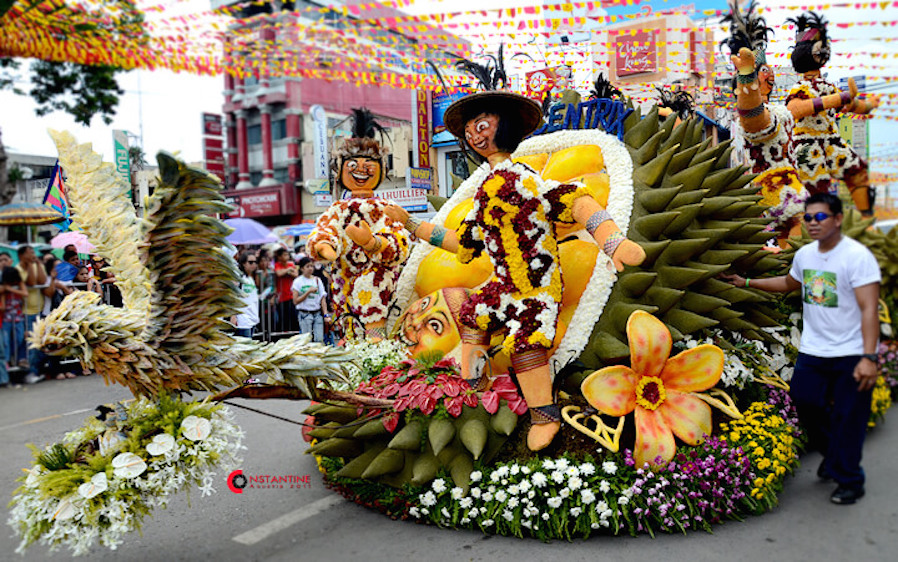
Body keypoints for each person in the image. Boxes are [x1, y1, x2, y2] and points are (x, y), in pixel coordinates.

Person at [385, 59, 645, 451]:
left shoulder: (524, 179)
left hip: (537, 287)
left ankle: (545, 414)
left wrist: (612, 241)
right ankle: (474, 386)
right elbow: (465, 243)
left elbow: (575, 201)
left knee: (526, 346)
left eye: (483, 125)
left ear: (503, 128)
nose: (475, 134)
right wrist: (412, 224)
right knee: (472, 316)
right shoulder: (485, 190)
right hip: (502, 286)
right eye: (470, 128)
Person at [723, 192, 880, 505]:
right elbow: (789, 283)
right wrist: (747, 284)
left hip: (850, 352)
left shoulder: (857, 257)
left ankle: (850, 480)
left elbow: (869, 308)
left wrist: (869, 357)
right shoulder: (806, 255)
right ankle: (834, 454)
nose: (812, 223)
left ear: (837, 219)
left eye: (820, 217)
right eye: (808, 217)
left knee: (849, 417)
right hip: (814, 351)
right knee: (805, 402)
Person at [785, 11, 880, 216]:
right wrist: (839, 99)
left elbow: (853, 106)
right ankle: (815, 232)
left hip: (832, 141)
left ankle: (865, 218)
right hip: (807, 144)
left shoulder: (828, 87)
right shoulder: (801, 88)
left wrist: (870, 105)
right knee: (817, 190)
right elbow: (794, 109)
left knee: (857, 170)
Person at [16, 245, 47, 384]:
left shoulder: (35, 265)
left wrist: (39, 264)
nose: (33, 254)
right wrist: (30, 264)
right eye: (30, 252)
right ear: (22, 255)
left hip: (39, 309)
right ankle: (30, 373)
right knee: (30, 344)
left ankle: (37, 370)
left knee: (39, 343)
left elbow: (42, 281)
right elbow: (31, 282)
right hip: (26, 312)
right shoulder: (18, 269)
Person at [292, 257, 327, 342]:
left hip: (317, 313)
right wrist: (308, 292)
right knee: (306, 341)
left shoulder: (317, 280)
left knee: (319, 340)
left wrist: (325, 314)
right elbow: (295, 301)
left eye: (312, 266)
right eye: (307, 266)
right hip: (304, 313)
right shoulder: (298, 281)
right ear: (302, 268)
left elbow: (322, 298)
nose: (310, 268)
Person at [232, 252, 260, 338]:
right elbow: (233, 295)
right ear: (243, 263)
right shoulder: (238, 277)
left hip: (252, 317)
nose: (254, 264)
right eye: (250, 262)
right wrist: (233, 316)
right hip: (242, 319)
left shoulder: (250, 278)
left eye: (255, 262)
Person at [272, 247, 299, 334]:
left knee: (293, 318)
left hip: (291, 295)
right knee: (284, 319)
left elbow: (295, 274)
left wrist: (288, 271)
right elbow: (278, 273)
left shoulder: (291, 264)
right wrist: (288, 270)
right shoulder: (277, 265)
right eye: (284, 255)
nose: (287, 256)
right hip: (282, 297)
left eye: (287, 254)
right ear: (279, 257)